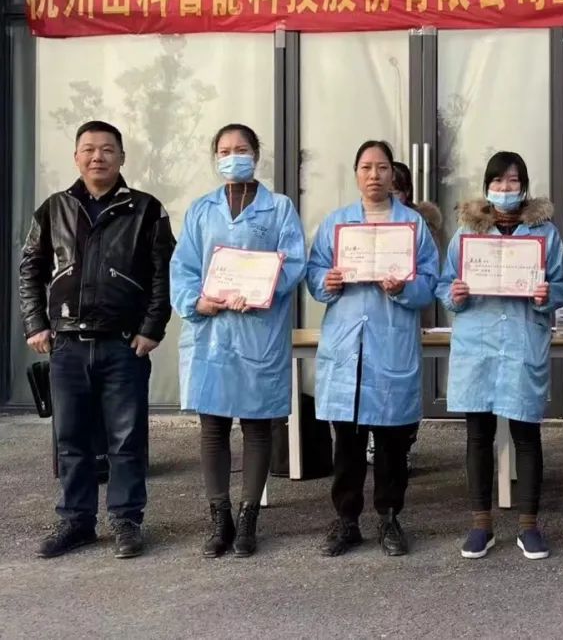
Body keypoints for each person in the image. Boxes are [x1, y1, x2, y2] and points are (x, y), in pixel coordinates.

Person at [20, 120, 175, 559]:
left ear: (122, 157)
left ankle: (126, 520)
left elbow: (163, 274)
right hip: (67, 344)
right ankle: (76, 520)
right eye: (88, 149)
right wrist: (35, 323)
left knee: (126, 439)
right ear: (76, 157)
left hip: (123, 344)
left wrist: (151, 328)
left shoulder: (146, 209)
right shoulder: (54, 208)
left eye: (107, 149)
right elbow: (30, 268)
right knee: (71, 438)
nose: (97, 157)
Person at [170, 124, 306, 558]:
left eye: (241, 149)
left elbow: (294, 263)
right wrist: (196, 301)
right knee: (213, 426)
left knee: (256, 423)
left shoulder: (279, 208)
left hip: (258, 330)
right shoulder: (201, 210)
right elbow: (182, 267)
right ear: (216, 157)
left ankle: (249, 517)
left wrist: (263, 289)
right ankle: (220, 518)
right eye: (225, 150)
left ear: (256, 155)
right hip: (211, 333)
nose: (233, 157)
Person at [437, 152, 563, 561]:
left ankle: (529, 526)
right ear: (486, 187)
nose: (505, 189)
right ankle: (481, 526)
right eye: (497, 182)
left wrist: (549, 294)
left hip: (521, 341)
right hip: (477, 344)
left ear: (525, 187)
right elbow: (444, 283)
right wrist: (454, 294)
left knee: (526, 436)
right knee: (478, 436)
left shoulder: (545, 234)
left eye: (513, 181)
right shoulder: (466, 233)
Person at [307, 140, 439, 557]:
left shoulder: (412, 226)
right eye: (366, 167)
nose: (374, 175)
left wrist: (404, 288)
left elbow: (430, 283)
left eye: (382, 167)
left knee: (391, 442)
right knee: (347, 442)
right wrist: (326, 282)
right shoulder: (336, 223)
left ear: (392, 174)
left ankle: (390, 517)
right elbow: (314, 271)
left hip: (390, 343)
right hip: (347, 344)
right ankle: (346, 520)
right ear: (356, 174)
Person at [364, 161, 444, 469]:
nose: (390, 192)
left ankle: (405, 442)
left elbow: (429, 275)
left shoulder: (418, 226)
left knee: (405, 387)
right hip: (371, 317)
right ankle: (374, 439)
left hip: (409, 314)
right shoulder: (362, 222)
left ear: (406, 192)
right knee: (372, 379)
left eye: (397, 189)